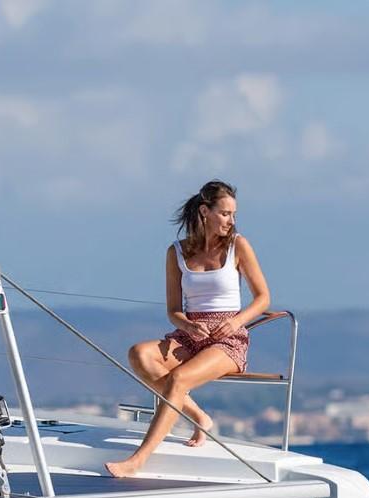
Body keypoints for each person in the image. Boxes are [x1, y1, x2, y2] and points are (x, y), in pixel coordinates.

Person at [105, 180, 271, 478]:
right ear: (205, 211)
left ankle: (138, 460)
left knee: (179, 379)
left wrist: (235, 322)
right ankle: (198, 416)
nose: (231, 221)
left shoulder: (238, 245)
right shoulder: (177, 252)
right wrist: (188, 325)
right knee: (139, 354)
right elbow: (173, 310)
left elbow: (263, 298)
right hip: (190, 334)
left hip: (229, 340)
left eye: (233, 215)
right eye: (225, 213)